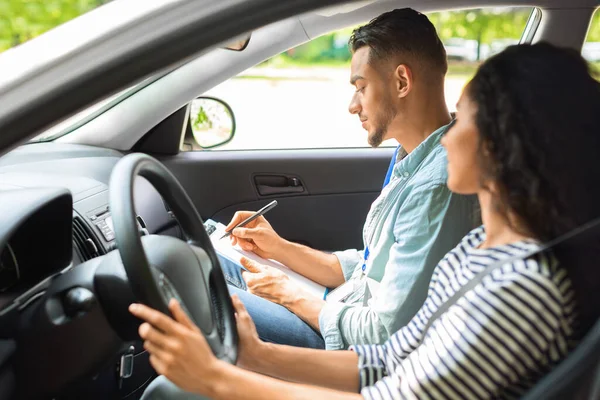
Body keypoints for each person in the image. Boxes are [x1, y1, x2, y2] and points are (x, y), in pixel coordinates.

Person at [135, 41, 600, 399]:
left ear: (502, 145)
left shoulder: (523, 288)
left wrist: (219, 379)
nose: (446, 137)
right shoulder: (482, 245)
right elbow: (388, 359)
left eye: (463, 120)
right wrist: (258, 354)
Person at [215, 8, 478, 350]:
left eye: (361, 87)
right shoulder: (416, 159)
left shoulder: (437, 187)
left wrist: (291, 296)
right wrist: (279, 248)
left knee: (198, 285)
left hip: (346, 346)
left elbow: (384, 334)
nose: (353, 105)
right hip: (342, 306)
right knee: (210, 253)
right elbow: (368, 267)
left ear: (402, 82)